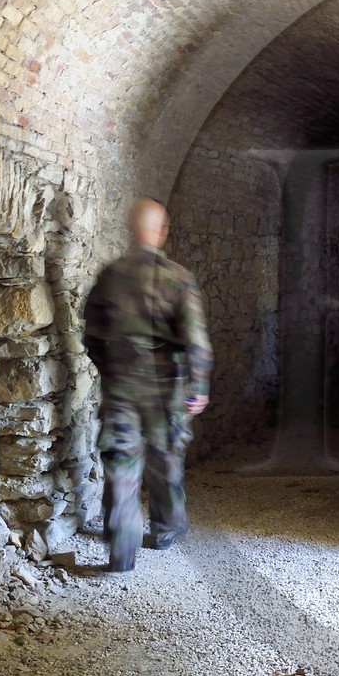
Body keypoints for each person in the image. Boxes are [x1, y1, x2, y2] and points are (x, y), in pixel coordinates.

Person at [81, 199, 212, 572]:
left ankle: (123, 546)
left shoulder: (110, 276)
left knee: (121, 460)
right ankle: (166, 529)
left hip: (121, 387)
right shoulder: (177, 278)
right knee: (165, 456)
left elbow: (91, 334)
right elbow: (196, 340)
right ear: (160, 231)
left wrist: (110, 370)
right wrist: (198, 385)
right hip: (165, 389)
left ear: (130, 230)